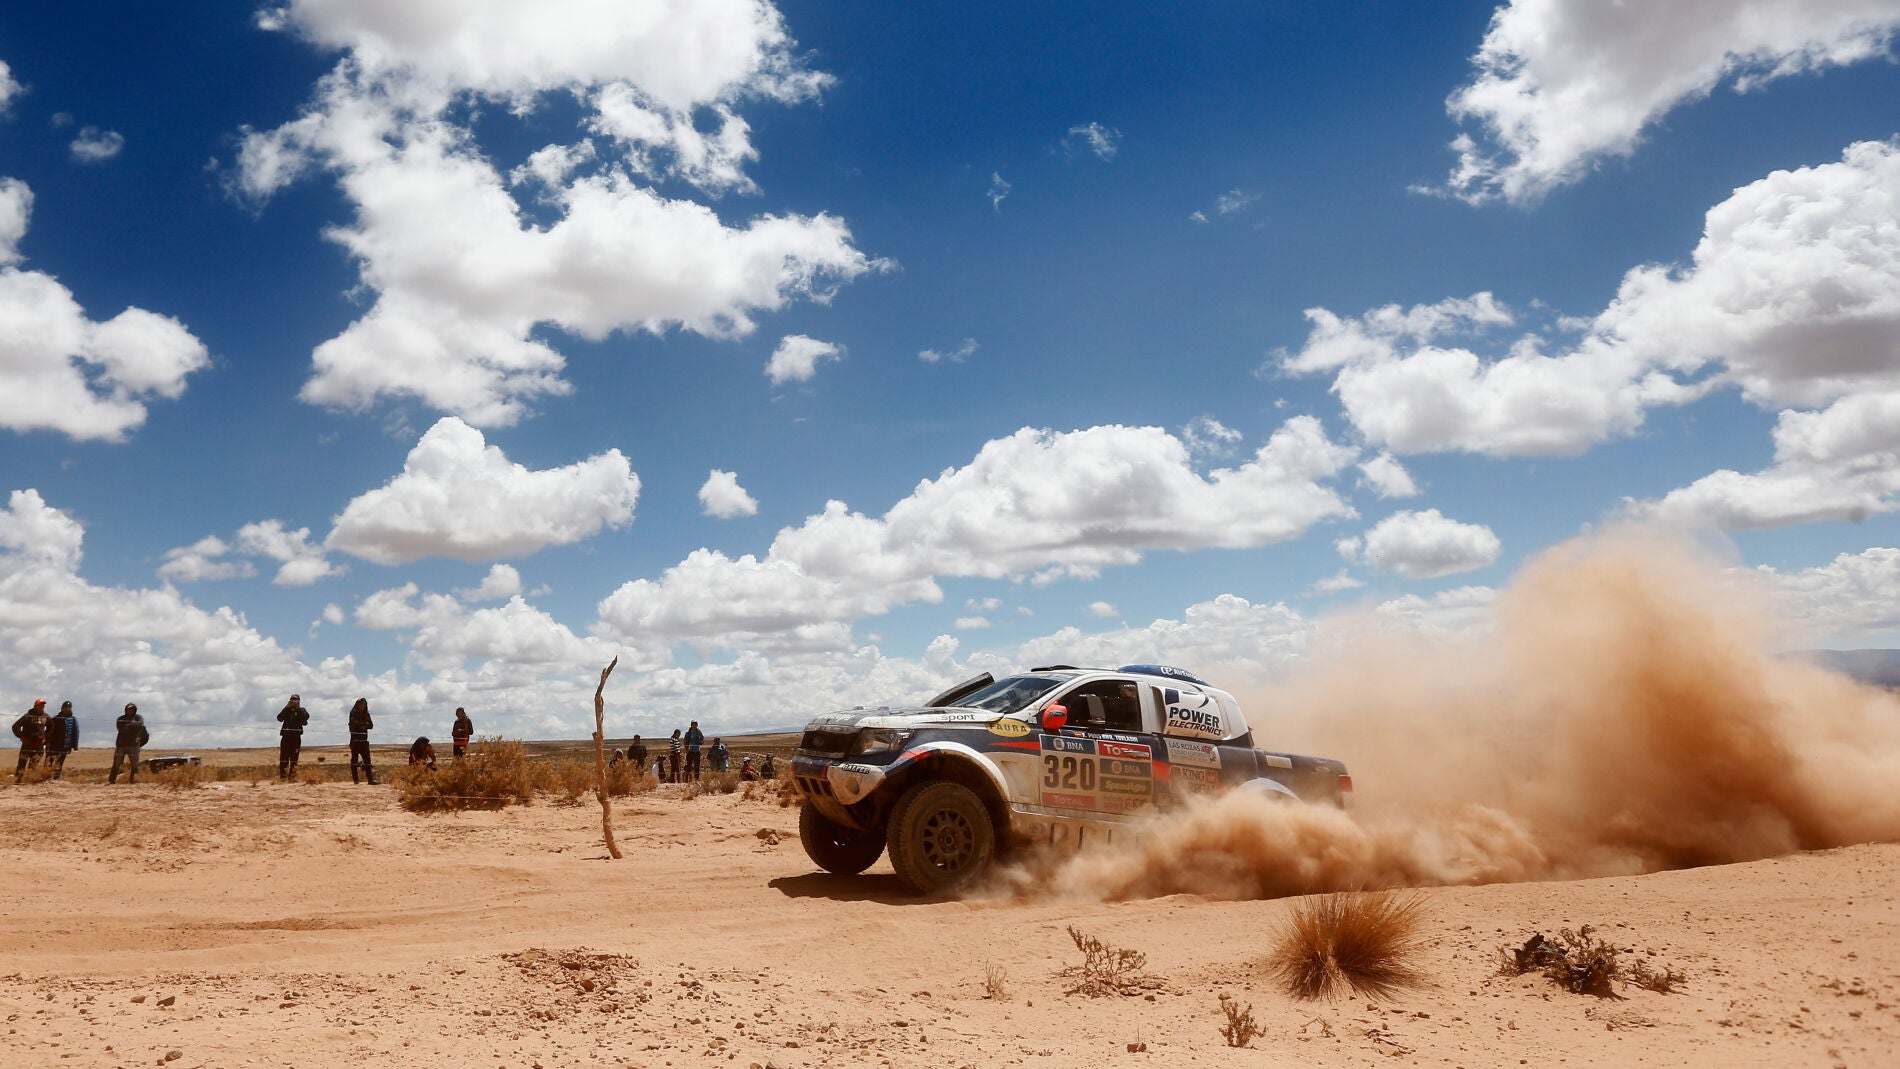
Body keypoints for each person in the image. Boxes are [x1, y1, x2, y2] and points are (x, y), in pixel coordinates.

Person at [109, 703, 149, 784]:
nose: (130, 711)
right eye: (129, 709)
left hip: (133, 745)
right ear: (125, 710)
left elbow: (140, 726)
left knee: (134, 764)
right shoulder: (121, 718)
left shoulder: (138, 717)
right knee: (116, 763)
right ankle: (111, 781)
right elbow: (121, 729)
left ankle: (133, 781)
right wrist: (133, 726)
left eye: (132, 709)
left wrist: (129, 726)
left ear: (135, 710)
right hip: (121, 745)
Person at [12, 699, 50, 780]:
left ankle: (28, 781)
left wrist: (45, 737)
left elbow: (51, 726)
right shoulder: (28, 715)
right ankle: (17, 781)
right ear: (35, 706)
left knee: (34, 764)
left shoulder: (45, 716)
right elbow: (15, 726)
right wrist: (21, 736)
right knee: (22, 763)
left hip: (39, 744)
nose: (42, 706)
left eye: (43, 705)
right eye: (40, 705)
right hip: (27, 744)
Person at [276, 695, 308, 780]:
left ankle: (292, 777)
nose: (293, 701)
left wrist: (298, 709)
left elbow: (305, 720)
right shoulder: (286, 710)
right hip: (285, 737)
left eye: (295, 700)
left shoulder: (302, 710)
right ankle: (283, 777)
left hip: (296, 738)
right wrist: (287, 707)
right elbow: (279, 718)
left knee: (294, 758)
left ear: (299, 701)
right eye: (292, 700)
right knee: (284, 758)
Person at [47, 701, 78, 779]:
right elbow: (49, 731)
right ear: (62, 708)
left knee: (60, 763)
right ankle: (46, 777)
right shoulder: (55, 718)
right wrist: (47, 743)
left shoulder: (73, 720)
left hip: (65, 745)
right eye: (66, 708)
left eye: (69, 708)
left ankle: (56, 778)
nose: (67, 709)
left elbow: (75, 732)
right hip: (54, 744)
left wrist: (74, 746)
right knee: (49, 761)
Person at [347, 698, 376, 785]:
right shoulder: (353, 713)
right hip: (355, 740)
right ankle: (356, 780)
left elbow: (371, 725)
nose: (363, 706)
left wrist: (363, 725)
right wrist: (363, 724)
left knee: (367, 760)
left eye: (364, 705)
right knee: (354, 760)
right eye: (361, 704)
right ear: (358, 704)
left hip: (364, 740)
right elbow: (354, 724)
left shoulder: (366, 714)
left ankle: (370, 780)